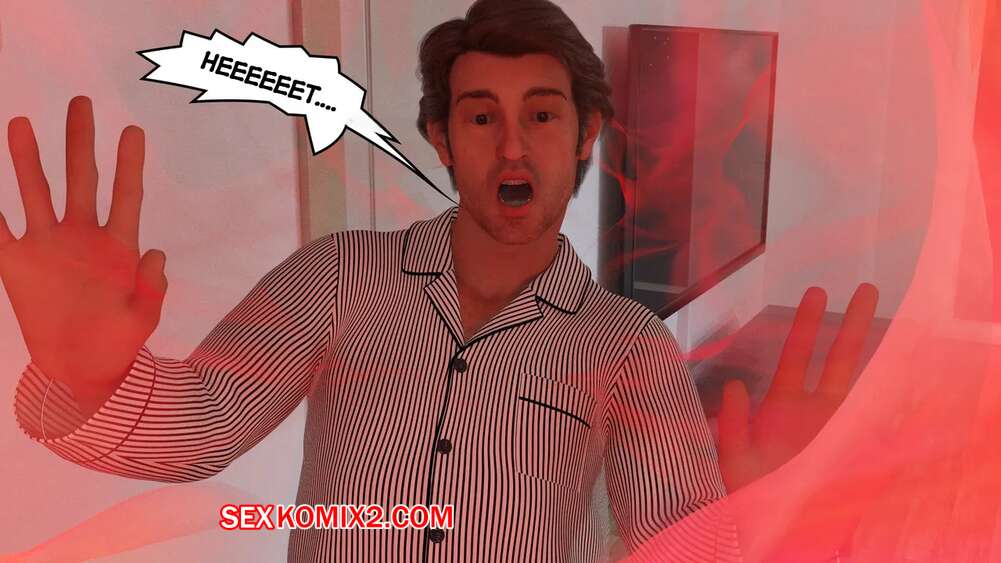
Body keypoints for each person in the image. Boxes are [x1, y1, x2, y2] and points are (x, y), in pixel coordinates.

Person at [5, 0, 876, 561]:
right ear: (440, 138)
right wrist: (85, 376)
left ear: (584, 135)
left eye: (541, 114)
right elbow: (203, 426)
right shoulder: (338, 273)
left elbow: (674, 543)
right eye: (480, 115)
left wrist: (764, 514)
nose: (511, 145)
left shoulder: (629, 346)